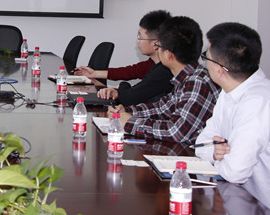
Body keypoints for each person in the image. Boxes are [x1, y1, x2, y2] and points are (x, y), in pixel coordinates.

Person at [108, 16, 220, 144]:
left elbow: (176, 132)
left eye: (158, 46)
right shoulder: (186, 77)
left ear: (168, 54)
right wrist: (126, 112)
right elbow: (162, 109)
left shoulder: (197, 82)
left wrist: (130, 122)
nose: (157, 50)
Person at [195, 22, 270, 189]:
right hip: (238, 194)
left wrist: (219, 158)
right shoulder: (231, 90)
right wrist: (215, 153)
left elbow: (235, 172)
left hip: (259, 200)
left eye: (206, 57)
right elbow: (201, 144)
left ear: (219, 70)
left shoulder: (258, 101)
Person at [75, 10, 173, 106]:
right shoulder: (153, 63)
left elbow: (129, 98)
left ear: (155, 43)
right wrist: (95, 73)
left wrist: (122, 86)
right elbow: (130, 71)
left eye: (140, 37)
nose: (137, 41)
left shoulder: (164, 70)